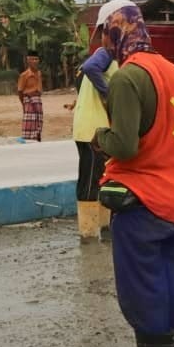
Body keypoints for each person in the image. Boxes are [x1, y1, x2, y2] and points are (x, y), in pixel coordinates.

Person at [93, 3, 174, 347]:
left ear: (113, 32)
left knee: (145, 292)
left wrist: (98, 135)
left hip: (144, 202)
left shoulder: (128, 78)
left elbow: (124, 145)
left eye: (103, 34)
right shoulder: (172, 71)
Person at [72, 43, 116, 242]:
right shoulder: (106, 53)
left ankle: (105, 228)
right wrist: (109, 94)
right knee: (90, 181)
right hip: (91, 130)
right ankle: (88, 234)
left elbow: (81, 76)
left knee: (102, 177)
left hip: (100, 129)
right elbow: (89, 69)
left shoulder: (108, 59)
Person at [17, 53, 43, 142]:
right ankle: (28, 139)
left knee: (38, 120)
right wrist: (24, 104)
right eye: (33, 59)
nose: (35, 61)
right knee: (29, 121)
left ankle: (37, 138)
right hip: (28, 100)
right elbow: (20, 91)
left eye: (37, 59)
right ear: (28, 61)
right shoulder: (24, 75)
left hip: (38, 100)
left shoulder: (39, 73)